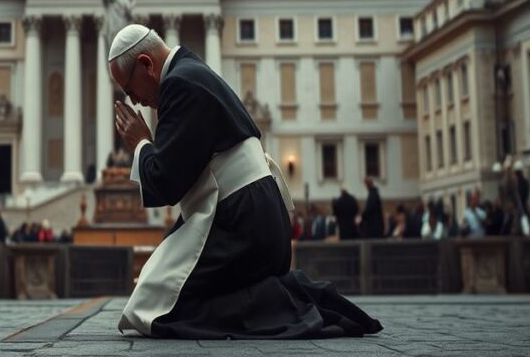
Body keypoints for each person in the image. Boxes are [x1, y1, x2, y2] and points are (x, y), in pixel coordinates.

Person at [109, 24, 381, 339]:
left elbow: (166, 184)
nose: (136, 102)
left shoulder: (179, 85)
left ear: (146, 64)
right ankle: (287, 294)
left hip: (245, 225)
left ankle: (290, 301)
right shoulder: (191, 72)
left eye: (130, 90)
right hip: (257, 218)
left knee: (159, 307)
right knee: (156, 293)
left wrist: (141, 143)